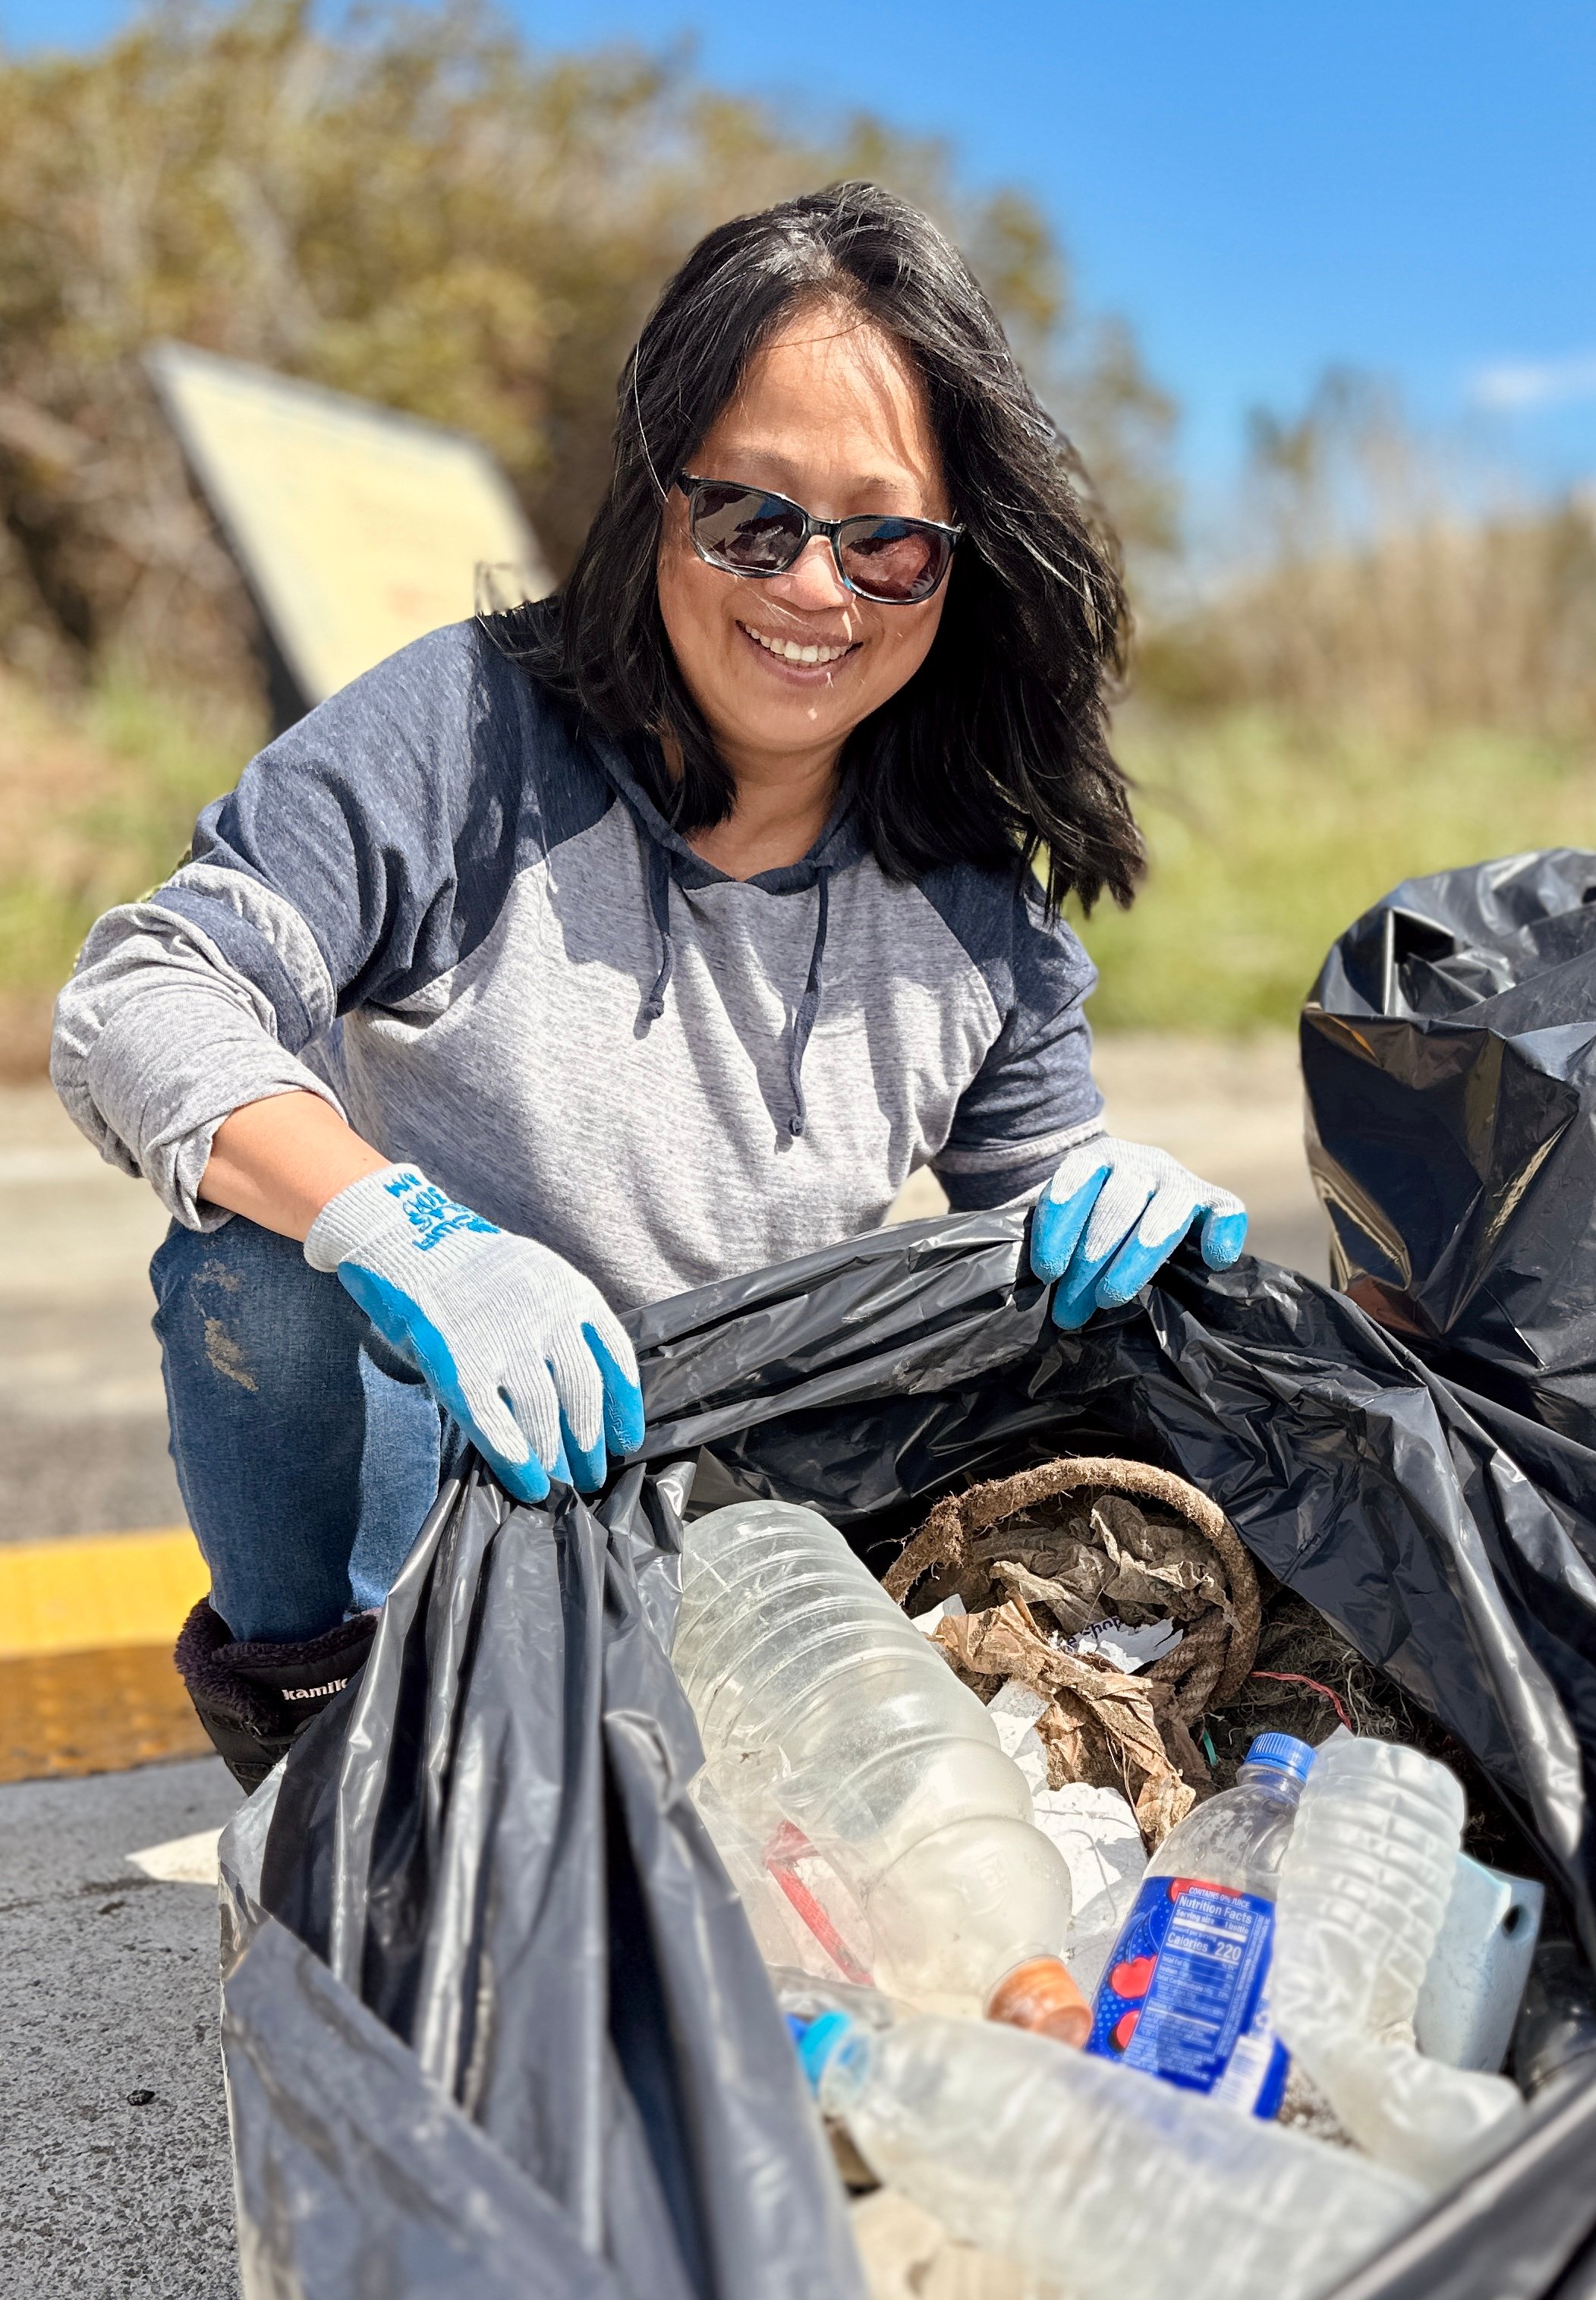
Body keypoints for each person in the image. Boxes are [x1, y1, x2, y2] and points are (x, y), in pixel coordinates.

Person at [52, 182, 1247, 1790]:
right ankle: (327, 1763)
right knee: (250, 1274)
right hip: (446, 1475)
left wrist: (1113, 1207)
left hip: (745, 1527)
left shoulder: (980, 908)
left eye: (886, 541)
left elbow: (1037, 1256)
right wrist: (413, 1235)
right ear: (657, 499)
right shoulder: (470, 739)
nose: (817, 592)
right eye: (756, 520)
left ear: (958, 566)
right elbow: (144, 987)